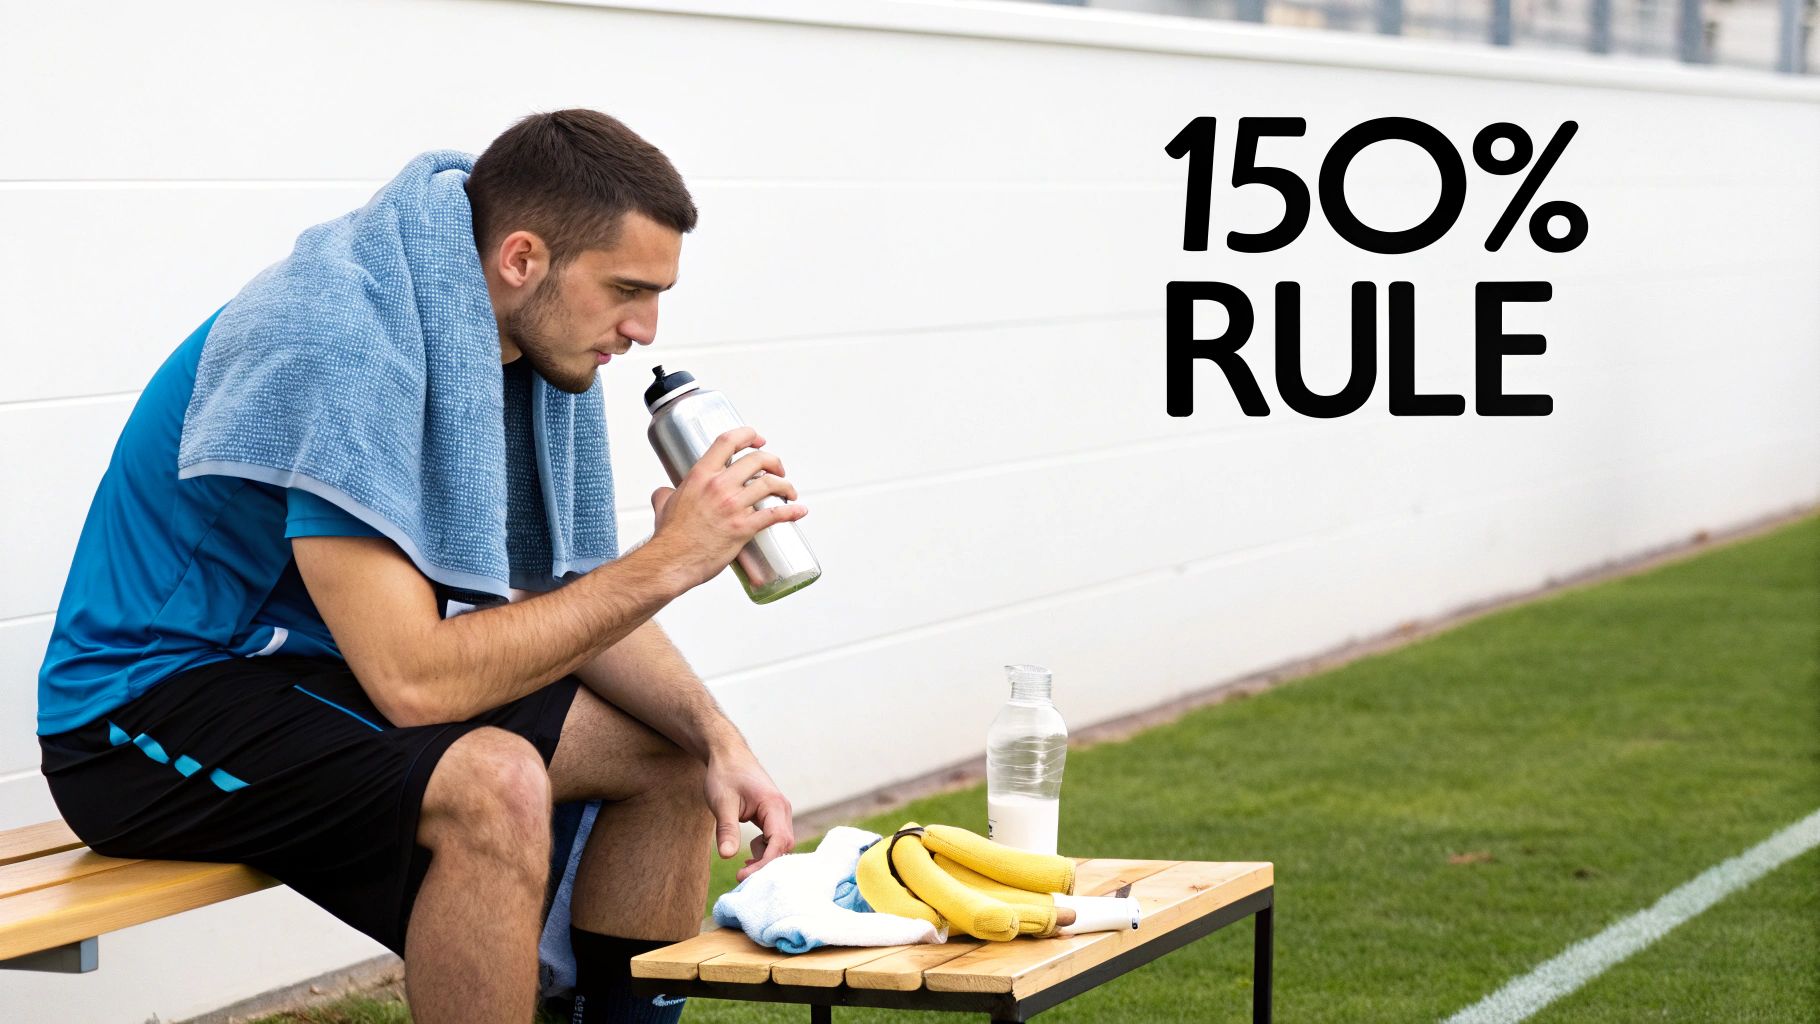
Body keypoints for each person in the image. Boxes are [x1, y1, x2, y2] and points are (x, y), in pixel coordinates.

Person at [35, 109, 803, 1024]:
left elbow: (555, 593)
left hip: (312, 674)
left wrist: (717, 737)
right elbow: (415, 685)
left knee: (668, 757)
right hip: (142, 710)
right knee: (494, 783)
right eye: (626, 290)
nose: (643, 327)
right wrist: (669, 560)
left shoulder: (513, 342)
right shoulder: (341, 340)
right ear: (522, 258)